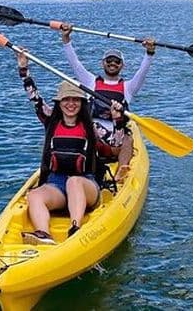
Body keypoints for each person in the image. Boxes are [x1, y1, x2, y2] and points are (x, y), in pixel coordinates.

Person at [16, 51, 126, 246]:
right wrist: (24, 69)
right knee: (35, 195)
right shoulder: (51, 120)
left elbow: (117, 144)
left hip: (86, 185)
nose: (70, 104)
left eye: (75, 100)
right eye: (66, 100)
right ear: (59, 103)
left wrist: (117, 118)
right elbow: (34, 97)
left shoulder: (91, 127)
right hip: (56, 184)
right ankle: (43, 233)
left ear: (82, 103)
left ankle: (75, 228)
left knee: (74, 182)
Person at [59, 23, 156, 182]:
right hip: (92, 136)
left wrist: (149, 53)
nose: (112, 63)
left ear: (122, 66)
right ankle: (74, 169)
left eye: (116, 61)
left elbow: (142, 72)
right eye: (109, 60)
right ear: (102, 63)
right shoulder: (90, 82)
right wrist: (66, 39)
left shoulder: (128, 87)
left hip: (115, 142)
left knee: (128, 140)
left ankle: (121, 172)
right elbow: (74, 63)